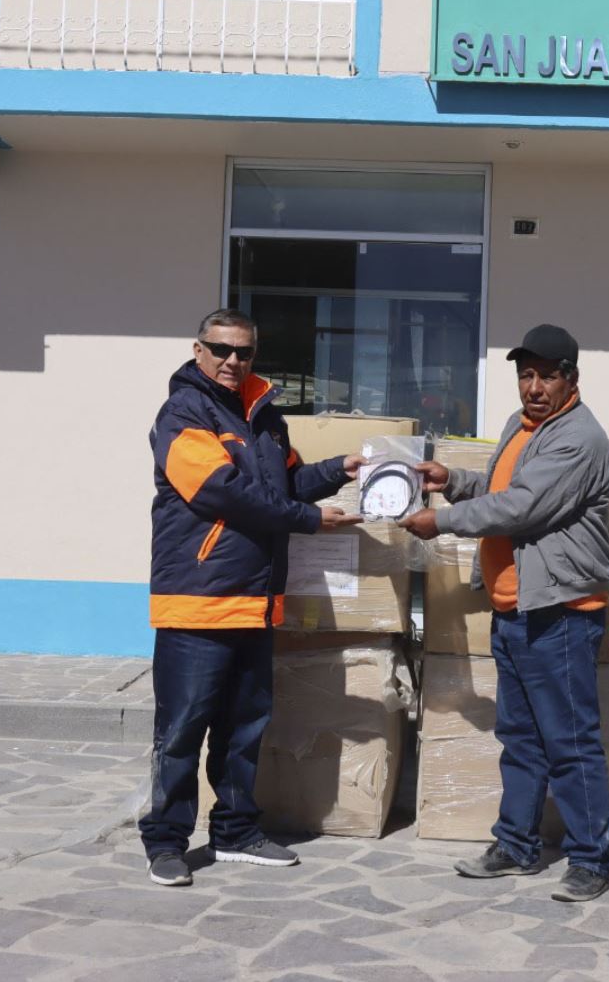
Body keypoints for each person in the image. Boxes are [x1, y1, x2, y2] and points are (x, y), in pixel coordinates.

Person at [139, 308, 363, 887]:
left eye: (244, 352)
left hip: (256, 602)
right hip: (197, 600)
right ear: (198, 349)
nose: (233, 361)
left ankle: (236, 831)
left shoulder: (265, 418)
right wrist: (310, 520)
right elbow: (222, 493)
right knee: (183, 729)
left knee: (245, 729)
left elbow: (285, 483)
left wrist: (339, 468)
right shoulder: (183, 414)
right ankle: (166, 841)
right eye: (221, 349)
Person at [400, 323, 609, 903]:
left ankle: (592, 858)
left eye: (547, 375)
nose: (535, 386)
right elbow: (503, 486)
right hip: (516, 606)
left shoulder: (579, 439)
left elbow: (523, 507)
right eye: (526, 374)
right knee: (520, 736)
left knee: (570, 739)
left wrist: (439, 520)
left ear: (571, 378)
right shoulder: (522, 428)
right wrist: (455, 481)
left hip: (562, 612)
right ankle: (517, 845)